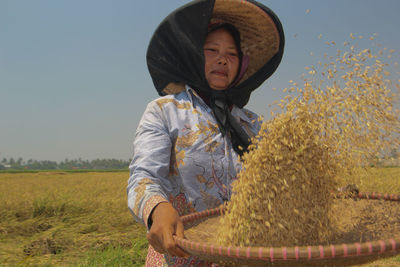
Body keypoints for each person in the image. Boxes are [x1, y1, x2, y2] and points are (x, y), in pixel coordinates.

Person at [127, 0, 284, 266]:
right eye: (212, 50)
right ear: (194, 55)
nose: (223, 59)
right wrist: (157, 208)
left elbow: (282, 181)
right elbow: (143, 175)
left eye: (232, 54)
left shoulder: (254, 125)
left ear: (241, 65)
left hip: (243, 256)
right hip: (180, 256)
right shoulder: (165, 111)